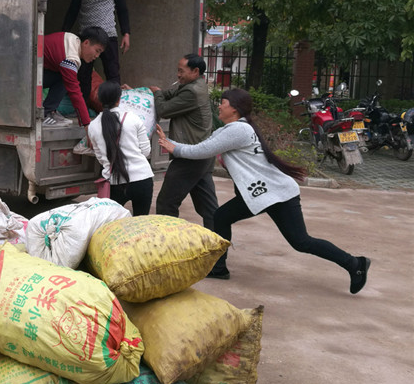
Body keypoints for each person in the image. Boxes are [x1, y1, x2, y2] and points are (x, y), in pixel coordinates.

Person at [157, 88, 371, 293]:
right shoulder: (231, 129)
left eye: (222, 103)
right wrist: (170, 142)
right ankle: (219, 268)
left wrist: (174, 147)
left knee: (301, 241)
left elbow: (202, 151)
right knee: (221, 217)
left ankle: (355, 263)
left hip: (276, 193)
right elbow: (204, 146)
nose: (219, 107)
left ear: (235, 108)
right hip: (261, 194)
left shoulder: (239, 130)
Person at [150, 54, 218, 230]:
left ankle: (170, 246)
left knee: (166, 203)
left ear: (195, 71)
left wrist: (157, 93)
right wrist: (151, 91)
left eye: (181, 71)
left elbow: (164, 109)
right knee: (209, 209)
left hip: (190, 156)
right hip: (203, 154)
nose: (178, 75)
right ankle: (219, 253)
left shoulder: (192, 92)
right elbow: (170, 93)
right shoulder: (193, 84)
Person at [62, 0, 131, 101]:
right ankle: (82, 108)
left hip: (108, 35)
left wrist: (126, 33)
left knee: (112, 72)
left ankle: (115, 105)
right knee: (83, 74)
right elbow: (73, 10)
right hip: (86, 37)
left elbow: (122, 10)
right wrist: (64, 32)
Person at [87, 80, 154, 215]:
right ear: (120, 98)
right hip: (142, 179)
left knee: (113, 227)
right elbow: (146, 151)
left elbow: (100, 157)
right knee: (141, 224)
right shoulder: (133, 118)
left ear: (99, 99)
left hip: (113, 183)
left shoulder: (93, 126)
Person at [42, 26, 108, 127]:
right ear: (86, 43)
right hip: (25, 76)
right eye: (97, 51)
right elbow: (74, 92)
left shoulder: (72, 39)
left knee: (65, 77)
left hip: (34, 72)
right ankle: (46, 113)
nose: (97, 56)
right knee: (67, 80)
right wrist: (86, 124)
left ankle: (49, 111)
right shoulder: (71, 58)